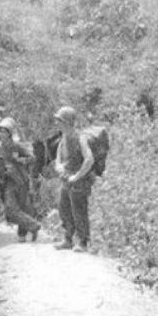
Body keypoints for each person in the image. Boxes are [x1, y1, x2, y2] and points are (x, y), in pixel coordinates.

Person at [52, 106, 95, 253]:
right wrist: (59, 167)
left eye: (60, 120)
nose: (57, 123)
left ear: (67, 122)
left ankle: (83, 242)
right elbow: (58, 158)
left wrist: (77, 176)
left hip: (79, 180)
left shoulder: (80, 137)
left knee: (79, 210)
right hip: (66, 179)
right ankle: (68, 239)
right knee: (63, 207)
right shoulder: (63, 138)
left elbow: (89, 159)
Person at [0, 119, 41, 242]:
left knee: (23, 207)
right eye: (0, 132)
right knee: (10, 209)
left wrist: (20, 160)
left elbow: (32, 158)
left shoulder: (17, 146)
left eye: (4, 132)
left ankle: (22, 234)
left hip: (21, 179)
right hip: (7, 181)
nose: (1, 134)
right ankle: (34, 225)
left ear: (9, 133)